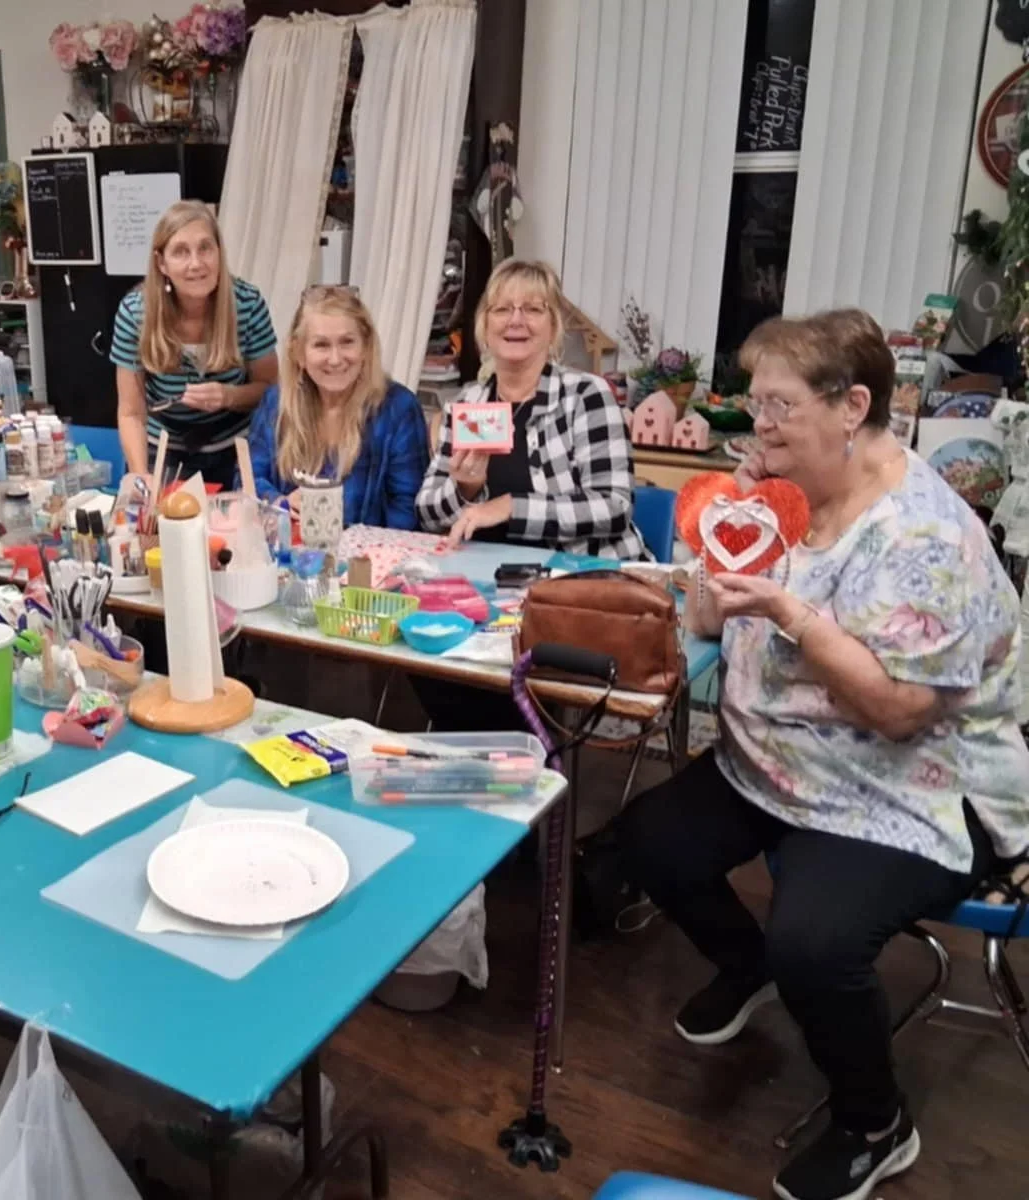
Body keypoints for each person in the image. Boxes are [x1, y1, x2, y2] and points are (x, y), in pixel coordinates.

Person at [618, 309, 1028, 1200]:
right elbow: (700, 621)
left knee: (816, 939)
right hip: (774, 761)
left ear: (852, 408)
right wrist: (717, 542)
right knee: (648, 842)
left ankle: (875, 1122)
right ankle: (744, 963)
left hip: (905, 786)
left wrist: (789, 611)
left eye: (776, 407)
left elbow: (895, 713)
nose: (754, 426)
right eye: (753, 403)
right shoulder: (779, 497)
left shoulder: (924, 536)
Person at [414, 259, 644, 558]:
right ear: (484, 325)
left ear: (553, 327)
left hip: (583, 578)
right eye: (502, 309)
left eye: (533, 309)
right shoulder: (468, 405)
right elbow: (426, 514)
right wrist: (464, 490)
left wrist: (510, 507)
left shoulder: (585, 396)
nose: (516, 320)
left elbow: (615, 507)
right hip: (490, 576)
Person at [111, 200, 279, 488]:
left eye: (205, 248)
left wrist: (228, 396)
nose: (196, 263)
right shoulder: (135, 313)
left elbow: (270, 390)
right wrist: (141, 474)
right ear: (161, 263)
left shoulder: (247, 304)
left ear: (219, 253)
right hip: (163, 450)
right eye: (180, 252)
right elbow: (131, 411)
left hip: (236, 448)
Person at [245, 285, 428, 529]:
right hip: (290, 557)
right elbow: (248, 478)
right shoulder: (276, 402)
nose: (335, 359)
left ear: (366, 347)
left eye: (347, 342)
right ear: (299, 353)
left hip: (370, 561)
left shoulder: (399, 408)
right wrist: (280, 504)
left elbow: (408, 511)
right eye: (321, 345)